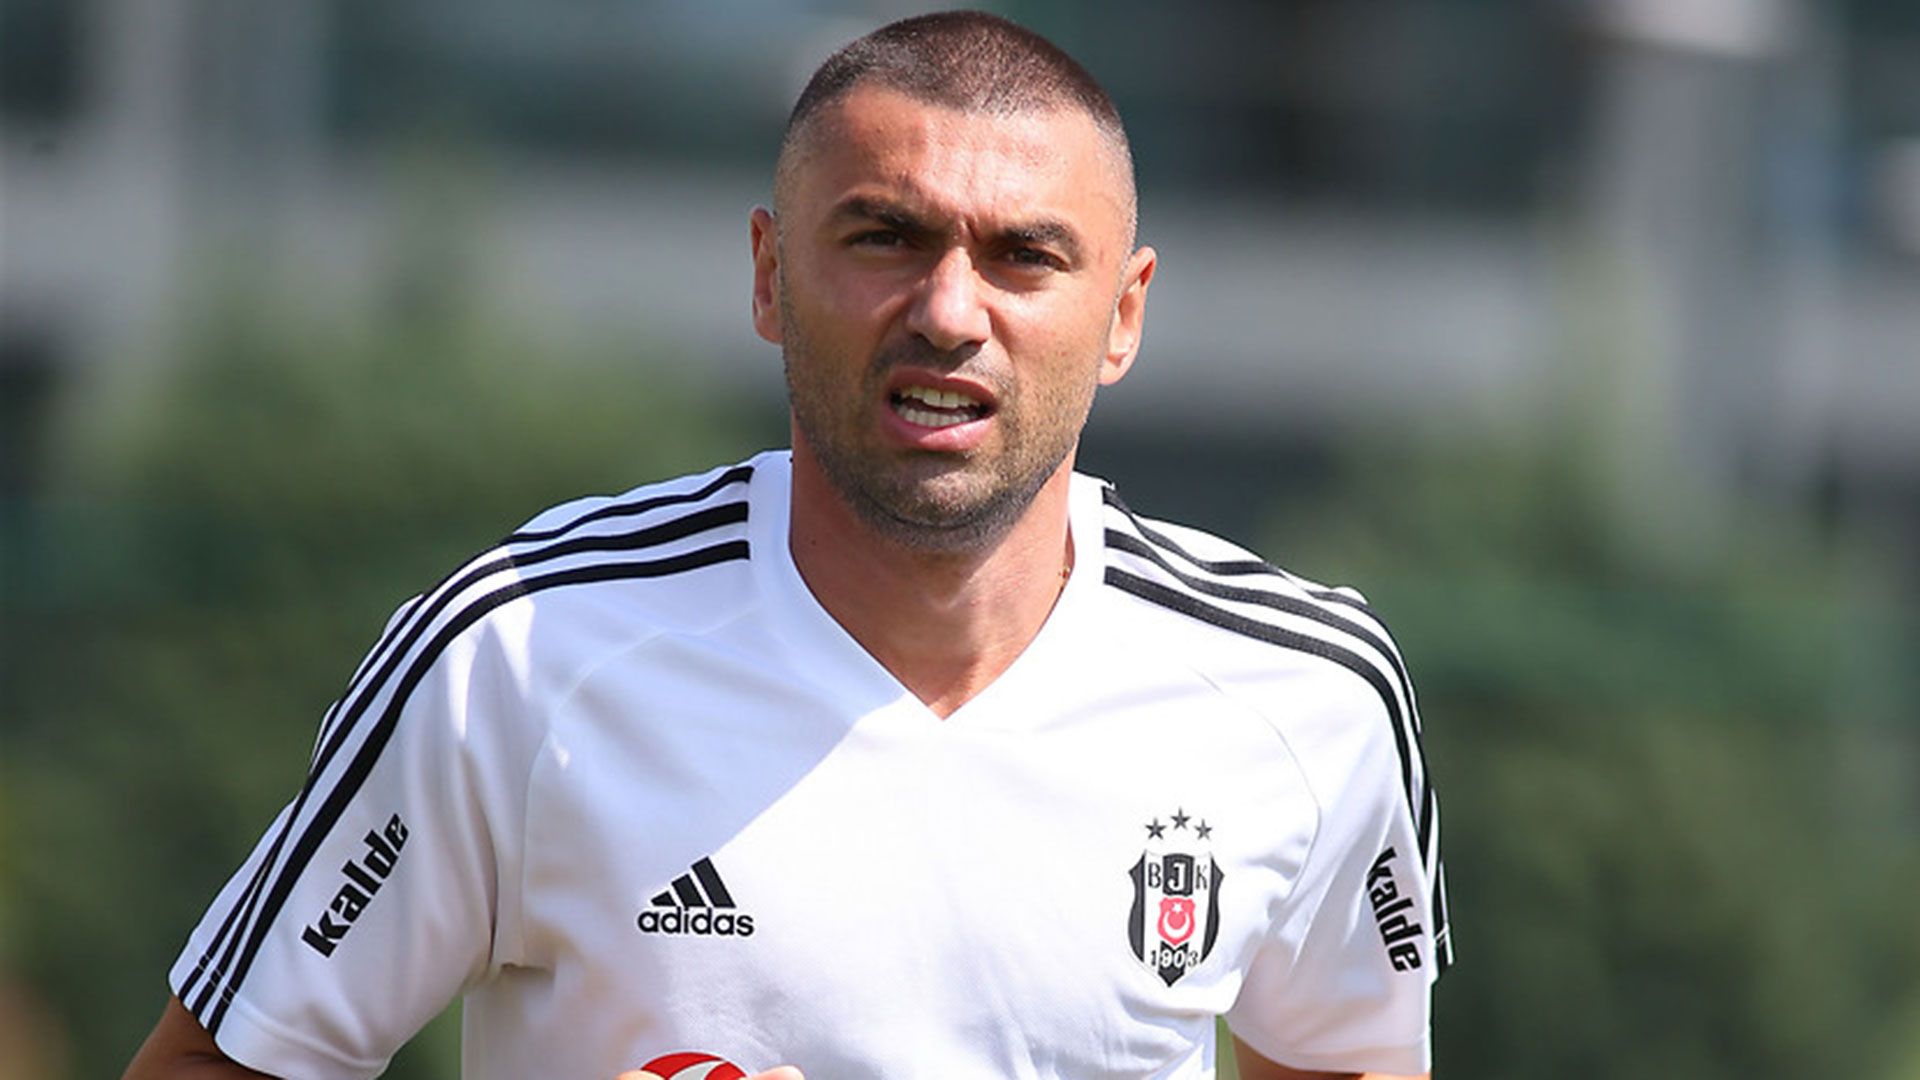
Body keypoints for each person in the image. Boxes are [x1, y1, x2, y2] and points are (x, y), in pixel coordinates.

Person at [124, 11, 1448, 1080]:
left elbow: (1348, 1062)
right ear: (768, 274)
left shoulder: (1310, 696)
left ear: (1123, 314)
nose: (947, 311)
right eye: (885, 236)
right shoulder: (518, 654)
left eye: (1024, 257)